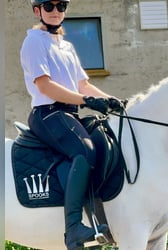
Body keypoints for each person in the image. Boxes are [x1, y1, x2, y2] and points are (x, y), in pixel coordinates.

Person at [20, 0, 124, 249]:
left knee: (102, 142)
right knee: (84, 150)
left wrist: (110, 100)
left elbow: (83, 85)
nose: (56, 11)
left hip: (68, 113)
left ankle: (98, 215)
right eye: (49, 6)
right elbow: (44, 86)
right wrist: (86, 101)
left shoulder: (65, 46)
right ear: (38, 11)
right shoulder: (33, 42)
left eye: (61, 5)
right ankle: (74, 228)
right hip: (47, 113)